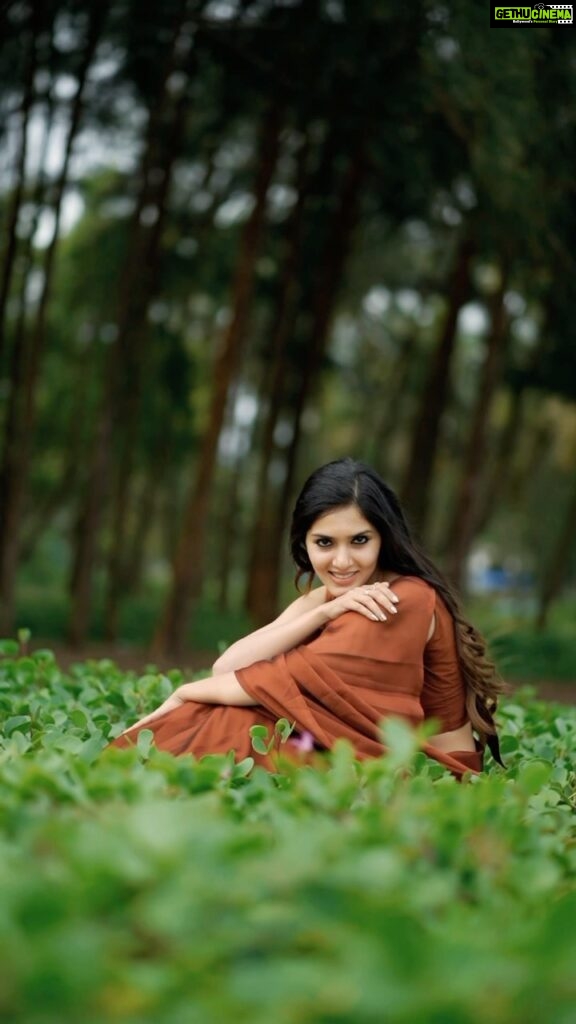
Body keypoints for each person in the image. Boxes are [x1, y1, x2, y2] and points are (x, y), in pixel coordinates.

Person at [111, 459, 504, 778]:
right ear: (304, 543)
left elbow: (292, 677)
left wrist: (185, 693)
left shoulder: (400, 599)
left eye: (360, 540)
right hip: (339, 758)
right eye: (324, 543)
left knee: (228, 725)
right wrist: (325, 609)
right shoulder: (335, 597)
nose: (343, 561)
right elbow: (227, 666)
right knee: (223, 722)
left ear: (385, 537)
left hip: (422, 777)